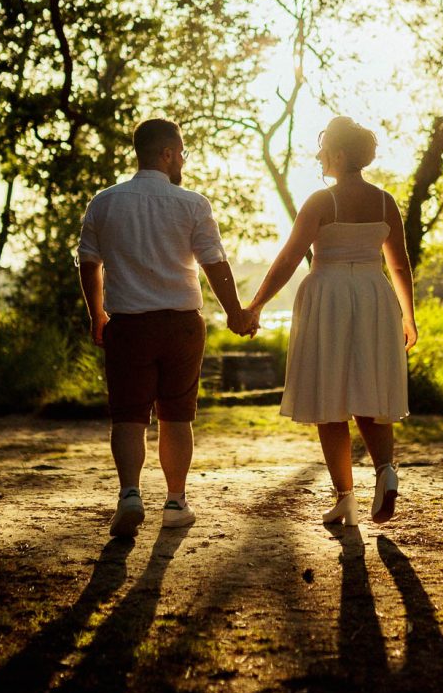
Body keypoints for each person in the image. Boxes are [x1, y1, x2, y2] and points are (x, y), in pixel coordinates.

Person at [78, 118, 255, 538]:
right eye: (182, 154)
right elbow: (214, 262)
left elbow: (89, 263)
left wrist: (96, 314)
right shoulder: (192, 203)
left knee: (128, 416)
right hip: (181, 325)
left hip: (129, 325)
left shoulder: (104, 203)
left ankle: (129, 495)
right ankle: (175, 501)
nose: (184, 162)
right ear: (168, 153)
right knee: (177, 415)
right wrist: (234, 311)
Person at [247, 116, 416, 525]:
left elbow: (288, 260)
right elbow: (400, 265)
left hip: (330, 297)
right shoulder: (385, 201)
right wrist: (409, 316)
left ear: (339, 155)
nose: (318, 156)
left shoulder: (322, 201)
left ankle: (346, 495)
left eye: (323, 150)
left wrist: (254, 306)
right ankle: (385, 471)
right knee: (370, 391)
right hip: (375, 296)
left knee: (330, 399)